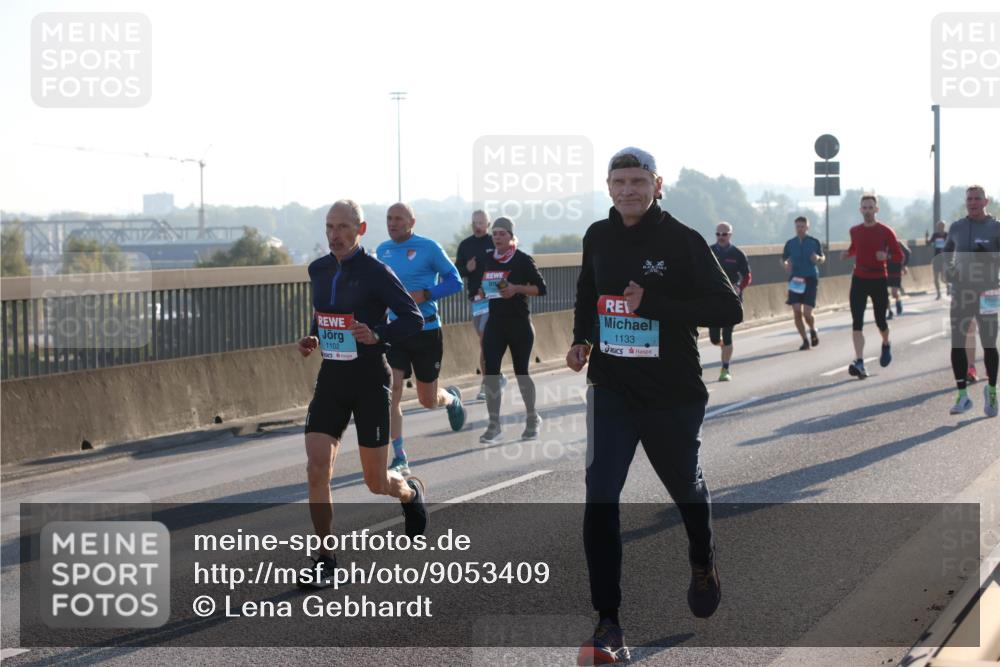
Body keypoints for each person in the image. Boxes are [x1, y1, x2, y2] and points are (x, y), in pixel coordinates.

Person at [567, 147, 742, 664]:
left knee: (686, 491)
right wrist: (582, 339)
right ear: (608, 187)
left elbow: (727, 306)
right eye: (618, 182)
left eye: (637, 181)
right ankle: (608, 625)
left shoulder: (682, 240)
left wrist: (656, 306)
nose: (628, 190)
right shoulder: (597, 236)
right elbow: (586, 295)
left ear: (656, 184)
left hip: (672, 393)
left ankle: (702, 559)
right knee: (599, 498)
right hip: (612, 390)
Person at [298, 200, 428, 585]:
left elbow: (412, 318)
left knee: (376, 482)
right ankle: (325, 557)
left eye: (342, 227)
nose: (334, 235)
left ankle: (408, 492)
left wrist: (378, 335)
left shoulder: (376, 272)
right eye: (329, 227)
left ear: (361, 229)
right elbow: (326, 313)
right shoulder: (318, 270)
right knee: (316, 467)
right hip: (332, 380)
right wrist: (313, 337)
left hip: (371, 381)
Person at [376, 203, 466, 476]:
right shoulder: (382, 251)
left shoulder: (429, 248)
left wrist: (426, 294)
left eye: (398, 219)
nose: (392, 223)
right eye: (389, 219)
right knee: (391, 396)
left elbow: (456, 281)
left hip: (426, 331)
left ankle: (450, 399)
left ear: (411, 221)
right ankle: (400, 455)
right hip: (396, 332)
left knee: (427, 400)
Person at [478, 216, 547, 444]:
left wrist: (517, 288)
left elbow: (541, 288)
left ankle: (531, 418)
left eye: (502, 233)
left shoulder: (522, 260)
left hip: (519, 324)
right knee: (491, 374)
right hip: (495, 323)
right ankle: (494, 424)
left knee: (521, 373)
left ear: (511, 236)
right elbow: (487, 284)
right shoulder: (488, 259)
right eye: (495, 233)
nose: (498, 237)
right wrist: (481, 291)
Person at [942, 185, 999, 416]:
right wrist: (949, 271)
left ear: (986, 202)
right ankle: (962, 395)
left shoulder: (996, 228)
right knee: (957, 342)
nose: (973, 202)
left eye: (977, 199)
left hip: (988, 293)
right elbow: (945, 255)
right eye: (969, 199)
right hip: (961, 292)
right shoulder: (957, 227)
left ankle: (992, 391)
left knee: (988, 343)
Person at [840, 193, 903, 379]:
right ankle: (859, 361)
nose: (867, 211)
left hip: (878, 279)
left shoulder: (886, 231)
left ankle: (886, 343)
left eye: (870, 207)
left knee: (880, 321)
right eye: (864, 208)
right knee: (857, 322)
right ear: (860, 210)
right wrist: (848, 253)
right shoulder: (855, 231)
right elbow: (855, 248)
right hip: (859, 278)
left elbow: (899, 256)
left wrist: (887, 257)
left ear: (877, 209)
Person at [455, 209, 498, 400]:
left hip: (493, 298)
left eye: (481, 222)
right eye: (474, 222)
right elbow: (456, 271)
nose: (477, 226)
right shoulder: (465, 245)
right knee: (483, 342)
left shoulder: (494, 242)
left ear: (488, 224)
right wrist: (467, 268)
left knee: (485, 339)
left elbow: (505, 267)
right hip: (476, 300)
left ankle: (487, 384)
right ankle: (495, 377)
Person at [708, 221, 751, 381]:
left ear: (730, 235)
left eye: (724, 234)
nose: (721, 237)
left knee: (727, 335)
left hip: (732, 300)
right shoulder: (709, 251)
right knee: (713, 338)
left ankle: (725, 368)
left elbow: (747, 276)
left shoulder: (738, 254)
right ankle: (725, 348)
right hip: (713, 300)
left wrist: (739, 287)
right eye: (718, 234)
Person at [782, 215, 825, 350]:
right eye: (797, 227)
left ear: (807, 227)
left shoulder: (814, 242)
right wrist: (786, 264)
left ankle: (812, 329)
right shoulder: (790, 243)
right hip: (795, 279)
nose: (800, 229)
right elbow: (784, 259)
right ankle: (805, 340)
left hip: (810, 278)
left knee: (807, 313)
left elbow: (823, 258)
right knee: (796, 312)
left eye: (802, 226)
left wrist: (818, 258)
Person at [885, 239, 911, 320]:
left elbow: (907, 252)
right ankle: (889, 311)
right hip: (885, 271)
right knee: (884, 294)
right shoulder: (881, 243)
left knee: (894, 293)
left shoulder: (897, 243)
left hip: (896, 270)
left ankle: (898, 301)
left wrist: (904, 265)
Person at [927, 220, 949, 299]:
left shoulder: (947, 235)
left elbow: (952, 245)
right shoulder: (935, 235)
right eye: (939, 226)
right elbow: (928, 244)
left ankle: (948, 286)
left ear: (944, 226)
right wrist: (927, 238)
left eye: (942, 226)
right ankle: (938, 293)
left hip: (944, 258)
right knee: (935, 277)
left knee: (943, 277)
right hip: (937, 258)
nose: (940, 227)